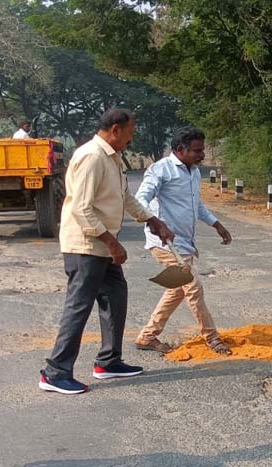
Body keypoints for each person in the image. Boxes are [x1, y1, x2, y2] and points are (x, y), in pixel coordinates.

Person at [39, 109, 175, 395]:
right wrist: (112, 243)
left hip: (103, 244)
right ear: (115, 129)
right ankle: (55, 372)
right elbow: (81, 207)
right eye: (130, 132)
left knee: (115, 297)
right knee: (79, 307)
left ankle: (108, 362)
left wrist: (152, 219)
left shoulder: (112, 158)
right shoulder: (91, 157)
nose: (131, 138)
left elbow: (124, 196)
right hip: (86, 245)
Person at [134, 127, 235, 356]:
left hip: (185, 243)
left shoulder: (194, 172)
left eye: (202, 150)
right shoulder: (160, 170)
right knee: (193, 286)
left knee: (178, 290)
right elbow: (141, 199)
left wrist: (217, 225)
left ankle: (147, 336)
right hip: (165, 243)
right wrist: (156, 223)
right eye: (197, 151)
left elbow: (197, 205)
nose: (202, 156)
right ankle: (212, 337)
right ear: (180, 150)